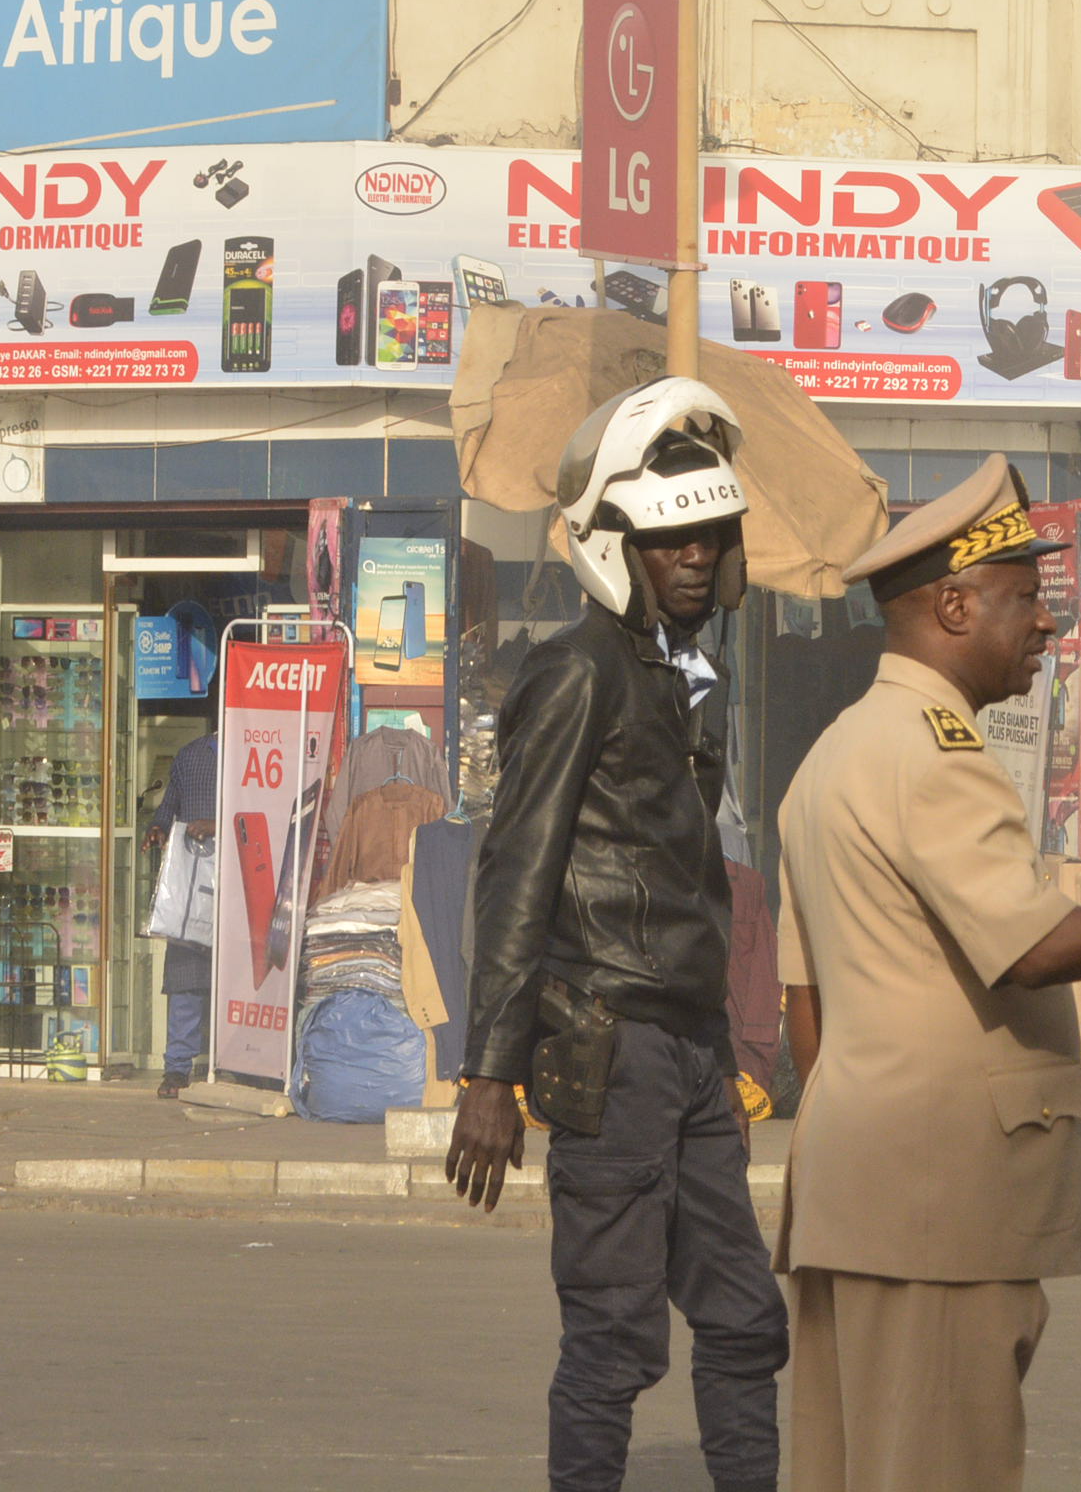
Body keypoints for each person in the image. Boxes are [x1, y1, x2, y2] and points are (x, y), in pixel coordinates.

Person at [444, 378, 787, 1492]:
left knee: (743, 1318)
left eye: (708, 535)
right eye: (667, 536)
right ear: (615, 542)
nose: (693, 557)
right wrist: (489, 1072)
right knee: (615, 1335)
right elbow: (516, 870)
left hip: (688, 1047)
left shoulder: (683, 672)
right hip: (608, 1039)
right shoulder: (579, 669)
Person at [771, 454, 1081, 1492]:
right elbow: (1031, 944)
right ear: (954, 602)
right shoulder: (935, 751)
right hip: (940, 1205)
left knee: (855, 1466)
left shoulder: (836, 750)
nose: (1047, 624)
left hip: (864, 1185)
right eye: (1027, 598)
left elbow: (807, 1007)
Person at [145, 731, 220, 1098]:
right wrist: (156, 828)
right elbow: (167, 806)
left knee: (241, 982)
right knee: (186, 977)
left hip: (245, 884)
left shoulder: (263, 750)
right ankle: (177, 1069)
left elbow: (273, 816)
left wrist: (217, 825)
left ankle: (245, 1066)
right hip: (192, 881)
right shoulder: (190, 755)